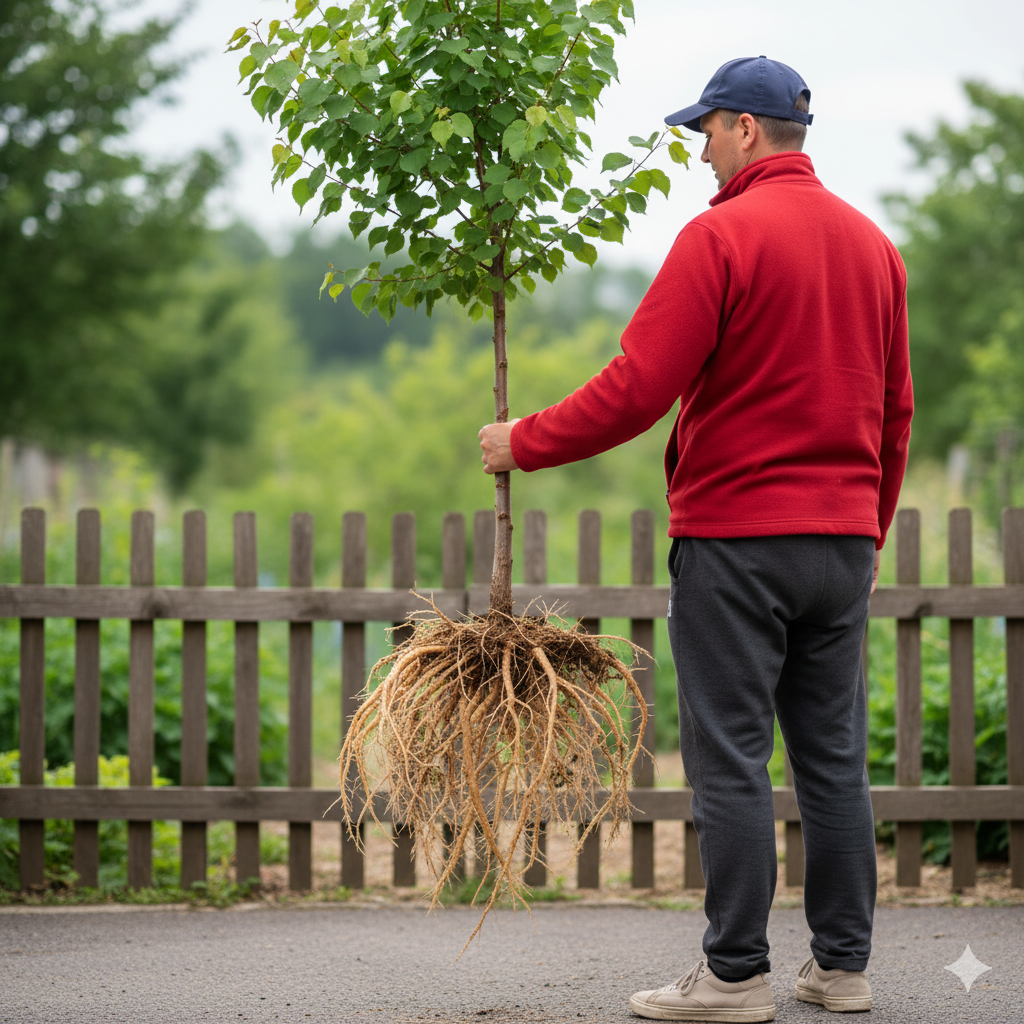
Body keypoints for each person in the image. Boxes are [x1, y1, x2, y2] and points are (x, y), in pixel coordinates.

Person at [479, 55, 913, 1021]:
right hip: (842, 543)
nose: (700, 151)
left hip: (736, 541)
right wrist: (864, 532)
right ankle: (842, 969)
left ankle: (735, 977)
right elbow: (896, 413)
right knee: (833, 761)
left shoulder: (720, 236)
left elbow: (639, 386)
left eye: (706, 130)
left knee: (729, 759)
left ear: (746, 128)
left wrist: (523, 442)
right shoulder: (875, 247)